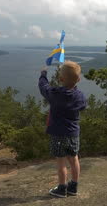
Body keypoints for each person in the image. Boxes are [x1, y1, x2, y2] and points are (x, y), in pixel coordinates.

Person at [38, 61, 86, 198]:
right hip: (74, 133)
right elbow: (82, 107)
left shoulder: (55, 94)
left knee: (61, 161)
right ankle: (73, 187)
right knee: (74, 159)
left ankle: (61, 188)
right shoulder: (80, 96)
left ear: (60, 79)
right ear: (79, 79)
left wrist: (43, 74)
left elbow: (43, 87)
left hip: (59, 134)